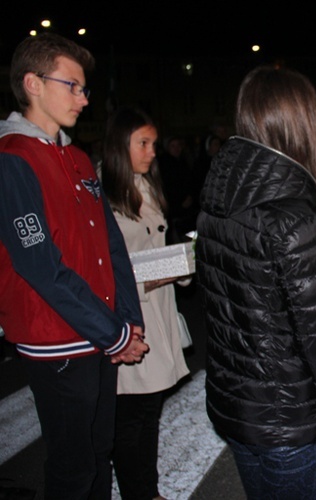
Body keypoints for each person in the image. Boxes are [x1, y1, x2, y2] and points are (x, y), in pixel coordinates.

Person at [195, 64, 316, 499]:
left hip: (235, 406)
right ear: (302, 122)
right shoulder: (294, 220)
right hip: (288, 417)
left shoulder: (216, 203)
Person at [0, 33, 148, 499]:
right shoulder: (12, 160)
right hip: (57, 340)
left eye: (85, 89)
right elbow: (40, 266)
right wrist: (113, 333)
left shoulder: (80, 158)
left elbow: (112, 245)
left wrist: (128, 322)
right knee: (72, 465)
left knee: (98, 451)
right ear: (33, 84)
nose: (84, 99)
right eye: (73, 86)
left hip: (100, 332)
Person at [100, 106, 191, 500]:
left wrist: (184, 260)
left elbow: (155, 247)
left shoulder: (146, 186)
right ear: (121, 145)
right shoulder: (101, 191)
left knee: (150, 411)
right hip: (131, 316)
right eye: (143, 143)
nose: (151, 151)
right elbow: (104, 268)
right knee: (131, 418)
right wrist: (164, 272)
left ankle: (148, 491)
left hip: (159, 311)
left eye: (153, 143)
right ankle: (140, 493)